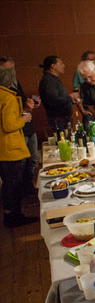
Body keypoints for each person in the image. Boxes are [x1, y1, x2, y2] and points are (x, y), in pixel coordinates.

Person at [0, 65, 36, 228]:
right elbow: (8, 125)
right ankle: (14, 216)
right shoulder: (7, 98)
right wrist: (25, 119)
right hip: (11, 148)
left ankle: (11, 214)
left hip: (3, 149)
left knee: (8, 184)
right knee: (13, 185)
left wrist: (25, 109)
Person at [39, 55, 78, 131]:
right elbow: (53, 100)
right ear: (53, 66)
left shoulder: (54, 79)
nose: (63, 65)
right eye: (61, 63)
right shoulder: (48, 81)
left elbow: (60, 98)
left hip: (64, 119)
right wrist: (70, 97)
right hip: (58, 120)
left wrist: (70, 101)